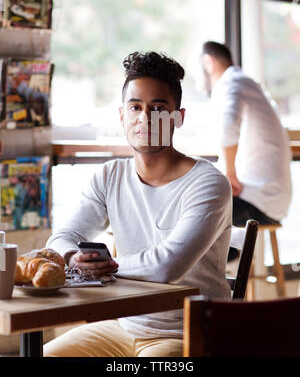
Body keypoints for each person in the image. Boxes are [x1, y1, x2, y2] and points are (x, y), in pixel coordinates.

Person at [44, 51, 232, 357]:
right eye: (135, 107)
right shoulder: (109, 175)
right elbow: (61, 238)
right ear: (122, 116)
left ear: (178, 118)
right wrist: (74, 259)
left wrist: (101, 269)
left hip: (190, 332)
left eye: (158, 108)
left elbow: (167, 266)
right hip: (124, 326)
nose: (145, 118)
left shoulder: (208, 183)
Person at [201, 41, 292, 260]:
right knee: (198, 217)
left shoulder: (231, 83)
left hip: (258, 202)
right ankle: (214, 270)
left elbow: (228, 128)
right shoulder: (247, 83)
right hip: (271, 200)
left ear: (208, 63)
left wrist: (230, 174)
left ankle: (209, 277)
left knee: (194, 214)